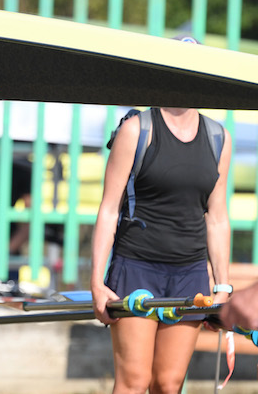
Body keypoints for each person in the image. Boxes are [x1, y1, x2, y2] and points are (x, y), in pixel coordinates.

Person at [91, 106, 232, 394]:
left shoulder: (218, 137)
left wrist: (223, 286)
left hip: (190, 275)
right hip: (136, 269)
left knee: (168, 384)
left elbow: (217, 217)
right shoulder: (136, 130)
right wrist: (96, 282)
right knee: (134, 381)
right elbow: (109, 209)